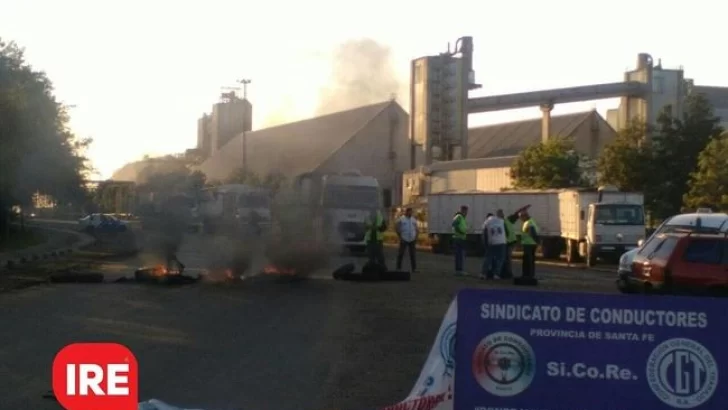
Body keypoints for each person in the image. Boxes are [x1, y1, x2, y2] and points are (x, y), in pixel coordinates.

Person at [497, 207, 528, 279]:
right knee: (506, 258)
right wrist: (521, 209)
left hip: (509, 242)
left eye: (500, 214)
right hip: (511, 241)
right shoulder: (507, 220)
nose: (500, 216)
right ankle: (506, 273)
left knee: (506, 258)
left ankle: (508, 274)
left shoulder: (503, 222)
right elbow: (515, 215)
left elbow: (515, 215)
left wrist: (521, 210)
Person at [481, 212, 507, 279]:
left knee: (488, 258)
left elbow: (484, 235)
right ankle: (496, 274)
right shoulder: (500, 220)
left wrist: (486, 245)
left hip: (492, 242)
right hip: (502, 242)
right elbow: (506, 230)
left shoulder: (486, 222)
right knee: (500, 259)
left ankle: (483, 274)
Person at [395, 207, 418, 272]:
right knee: (401, 254)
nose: (411, 213)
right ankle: (398, 267)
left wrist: (416, 237)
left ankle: (414, 268)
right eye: (410, 212)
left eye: (411, 212)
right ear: (407, 212)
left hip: (412, 239)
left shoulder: (413, 219)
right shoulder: (401, 219)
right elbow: (396, 227)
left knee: (413, 254)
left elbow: (416, 229)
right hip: (404, 239)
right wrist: (400, 237)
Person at [519, 211, 540, 278]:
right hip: (531, 244)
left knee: (528, 261)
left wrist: (537, 242)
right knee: (530, 260)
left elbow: (532, 233)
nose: (520, 219)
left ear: (524, 216)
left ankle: (527, 275)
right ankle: (530, 274)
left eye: (521, 217)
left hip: (529, 244)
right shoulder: (531, 221)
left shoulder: (528, 223)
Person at [452, 205, 469, 276]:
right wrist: (461, 232)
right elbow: (454, 225)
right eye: (465, 211)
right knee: (460, 255)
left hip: (461, 238)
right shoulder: (459, 217)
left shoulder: (462, 217)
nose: (466, 213)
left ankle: (459, 270)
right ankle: (459, 270)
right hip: (459, 239)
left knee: (460, 255)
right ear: (462, 210)